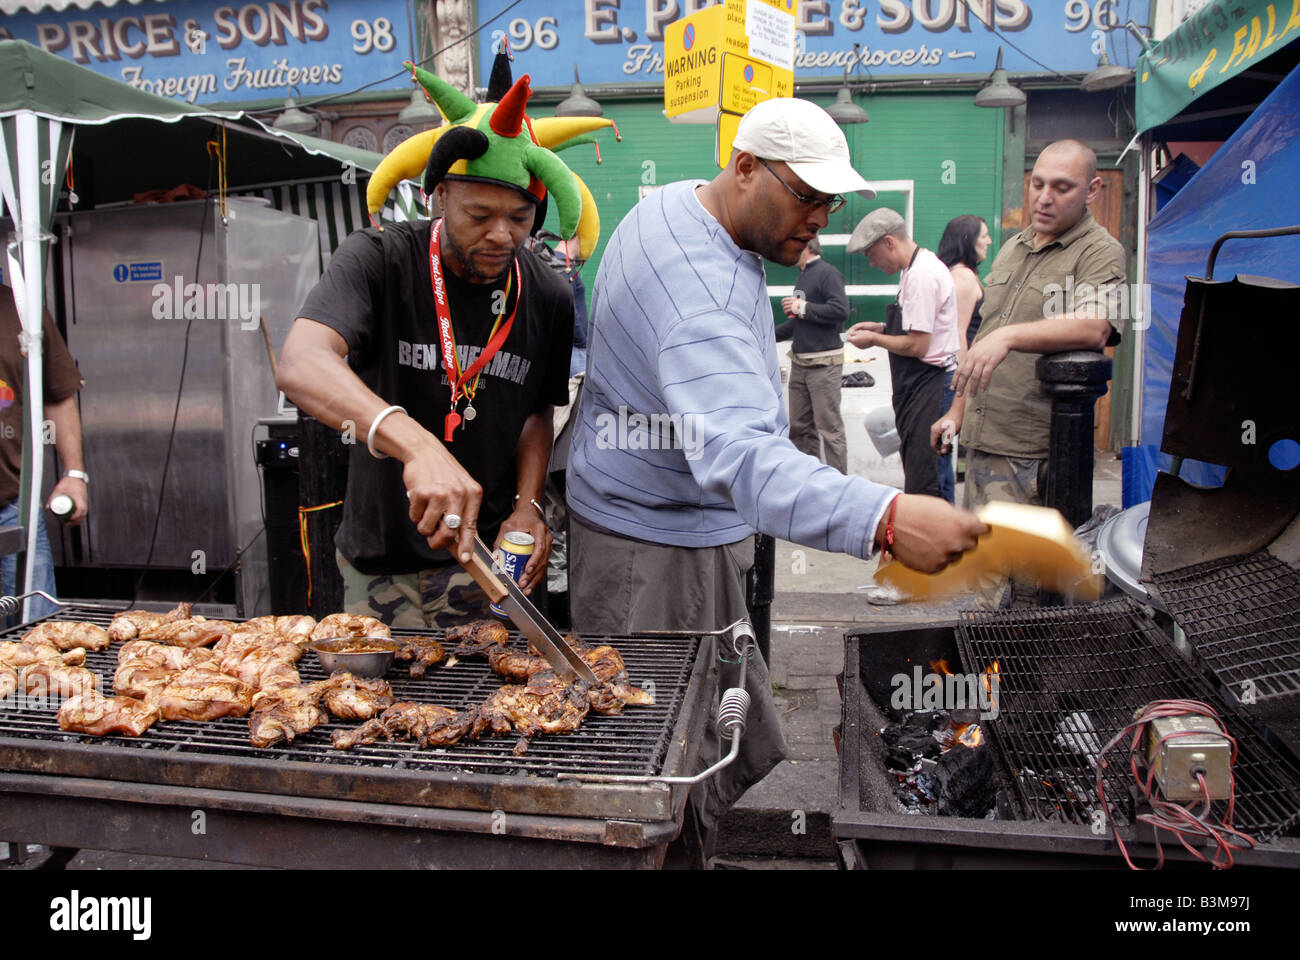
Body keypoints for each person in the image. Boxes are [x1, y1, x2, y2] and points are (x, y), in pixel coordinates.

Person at [565, 97, 988, 854]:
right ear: (746, 166)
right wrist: (886, 518)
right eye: (806, 195)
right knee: (667, 766)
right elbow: (748, 462)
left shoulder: (667, 205)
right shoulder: (703, 296)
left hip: (638, 514)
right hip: (657, 549)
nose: (821, 216)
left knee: (704, 733)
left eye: (831, 199)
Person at [277, 65, 581, 627]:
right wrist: (418, 446)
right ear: (440, 195)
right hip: (380, 563)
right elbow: (300, 362)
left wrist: (529, 505)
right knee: (372, 706)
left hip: (489, 561)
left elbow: (537, 410)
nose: (501, 236)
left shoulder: (549, 293)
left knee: (495, 707)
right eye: (479, 215)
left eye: (519, 218)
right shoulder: (379, 258)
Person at [931, 140, 1123, 517]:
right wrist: (957, 412)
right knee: (980, 568)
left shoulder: (1101, 252)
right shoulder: (1013, 248)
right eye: (1038, 184)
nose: (1044, 198)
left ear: (1093, 190)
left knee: (1010, 572)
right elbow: (986, 334)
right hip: (985, 438)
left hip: (1031, 452)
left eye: (1062, 187)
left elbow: (1095, 327)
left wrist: (1010, 337)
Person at [844, 209, 959, 498]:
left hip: (932, 385)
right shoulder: (913, 269)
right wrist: (881, 326)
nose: (871, 263)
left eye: (871, 254)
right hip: (921, 385)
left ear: (889, 242)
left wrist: (875, 339)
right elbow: (917, 325)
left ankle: (935, 537)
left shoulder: (922, 275)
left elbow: (918, 346)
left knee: (928, 477)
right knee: (927, 471)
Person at [0, 285, 89, 619]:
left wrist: (74, 475)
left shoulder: (22, 308)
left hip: (14, 506)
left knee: (35, 633)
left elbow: (58, 393)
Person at [773, 236, 849, 472]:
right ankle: (808, 482)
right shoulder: (803, 276)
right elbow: (798, 324)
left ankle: (839, 488)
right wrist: (764, 335)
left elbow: (841, 309)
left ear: (806, 245)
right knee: (799, 428)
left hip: (823, 365)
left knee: (830, 430)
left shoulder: (827, 273)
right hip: (801, 364)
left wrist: (802, 307)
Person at [934, 214, 992, 501]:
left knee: (946, 453)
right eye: (984, 236)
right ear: (968, 240)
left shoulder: (959, 274)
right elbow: (959, 335)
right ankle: (943, 519)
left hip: (955, 375)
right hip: (954, 376)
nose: (989, 241)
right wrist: (962, 386)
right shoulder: (963, 278)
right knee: (943, 453)